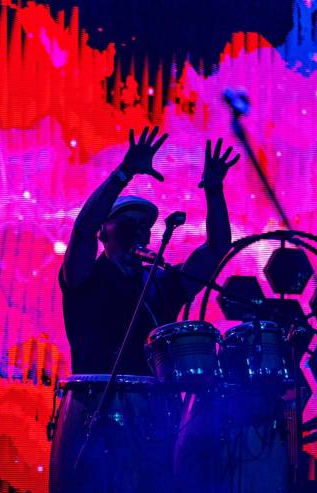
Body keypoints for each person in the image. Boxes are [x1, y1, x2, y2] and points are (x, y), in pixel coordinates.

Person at [59, 126, 241, 375]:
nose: (137, 232)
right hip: (96, 397)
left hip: (152, 399)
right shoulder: (85, 278)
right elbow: (83, 229)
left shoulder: (160, 283)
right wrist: (124, 172)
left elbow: (216, 248)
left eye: (144, 227)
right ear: (103, 232)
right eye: (127, 225)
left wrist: (214, 190)